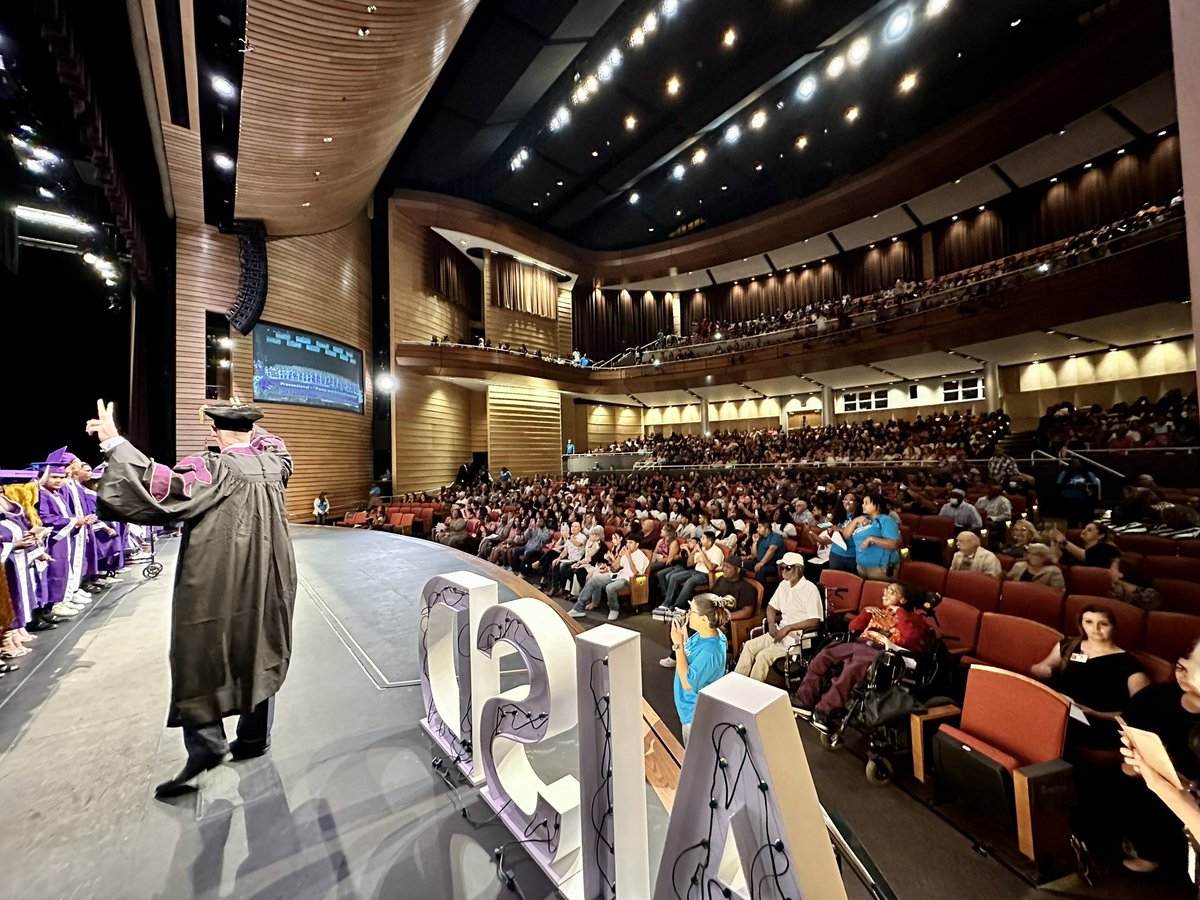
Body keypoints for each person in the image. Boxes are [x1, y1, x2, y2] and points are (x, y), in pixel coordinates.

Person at [86, 399, 297, 798]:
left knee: (199, 651)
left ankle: (207, 750)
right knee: (260, 645)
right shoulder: (274, 463)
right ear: (253, 433)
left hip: (219, 578)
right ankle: (254, 739)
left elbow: (158, 485)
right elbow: (274, 443)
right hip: (271, 577)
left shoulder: (213, 469)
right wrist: (245, 419)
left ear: (213, 433)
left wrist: (115, 443)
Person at [1116, 636, 1200, 874]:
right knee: (1125, 778)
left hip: (1188, 783)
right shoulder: (1155, 697)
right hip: (1151, 770)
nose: (1184, 676)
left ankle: (1154, 854)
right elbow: (1130, 727)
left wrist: (1172, 770)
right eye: (1181, 668)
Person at [794, 582, 932, 726]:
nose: (884, 593)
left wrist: (899, 612)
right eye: (886, 589)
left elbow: (908, 639)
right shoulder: (879, 612)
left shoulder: (913, 620)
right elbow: (853, 627)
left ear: (903, 600)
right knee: (825, 654)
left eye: (891, 591)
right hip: (859, 643)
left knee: (851, 669)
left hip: (879, 651)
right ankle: (804, 699)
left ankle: (825, 710)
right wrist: (865, 612)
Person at [1031, 604, 1148, 749]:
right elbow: (1041, 667)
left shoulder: (1129, 664)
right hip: (1062, 710)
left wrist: (1095, 713)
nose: (1095, 629)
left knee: (1049, 728)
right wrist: (1043, 669)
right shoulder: (1069, 645)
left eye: (1103, 624)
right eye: (1089, 622)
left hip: (1098, 723)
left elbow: (1141, 712)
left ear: (1114, 627)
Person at [733, 552, 822, 681]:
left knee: (763, 656)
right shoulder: (783, 585)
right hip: (780, 631)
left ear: (798, 569)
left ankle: (751, 693)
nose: (783, 571)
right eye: (782, 567)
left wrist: (788, 628)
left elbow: (815, 620)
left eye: (787, 567)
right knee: (749, 646)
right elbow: (771, 607)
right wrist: (771, 624)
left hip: (799, 637)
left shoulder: (810, 589)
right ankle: (736, 684)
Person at [670, 594, 733, 745]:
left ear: (704, 619)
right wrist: (683, 636)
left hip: (695, 715)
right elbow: (689, 654)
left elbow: (687, 683)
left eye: (692, 611)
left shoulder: (711, 651)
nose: (688, 614)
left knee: (693, 759)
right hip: (686, 708)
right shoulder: (703, 635)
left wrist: (677, 645)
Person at [569, 535, 648, 621]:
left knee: (610, 587)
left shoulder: (641, 556)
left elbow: (635, 573)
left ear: (637, 544)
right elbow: (615, 568)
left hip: (630, 580)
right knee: (594, 580)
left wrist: (628, 557)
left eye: (631, 543)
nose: (628, 545)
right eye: (627, 542)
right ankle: (579, 608)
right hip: (619, 575)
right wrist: (620, 556)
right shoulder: (626, 553)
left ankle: (614, 609)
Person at [854, 492, 901, 582]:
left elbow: (894, 544)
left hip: (880, 568)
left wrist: (871, 539)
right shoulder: (864, 519)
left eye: (867, 503)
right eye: (863, 503)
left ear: (878, 506)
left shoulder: (886, 520)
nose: (863, 505)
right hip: (862, 566)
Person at [1050, 521, 1121, 568]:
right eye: (1084, 528)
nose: (1083, 531)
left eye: (1089, 530)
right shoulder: (1077, 547)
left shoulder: (1106, 548)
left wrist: (1064, 542)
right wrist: (1053, 541)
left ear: (1101, 535)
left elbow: (1086, 556)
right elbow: (1054, 559)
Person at [1056, 459, 1100, 528]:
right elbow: (1059, 487)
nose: (1075, 465)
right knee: (1072, 524)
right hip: (1069, 502)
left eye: (1077, 463)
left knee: (1086, 524)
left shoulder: (1088, 474)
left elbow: (1094, 487)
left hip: (1084, 502)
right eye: (1074, 463)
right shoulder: (1064, 474)